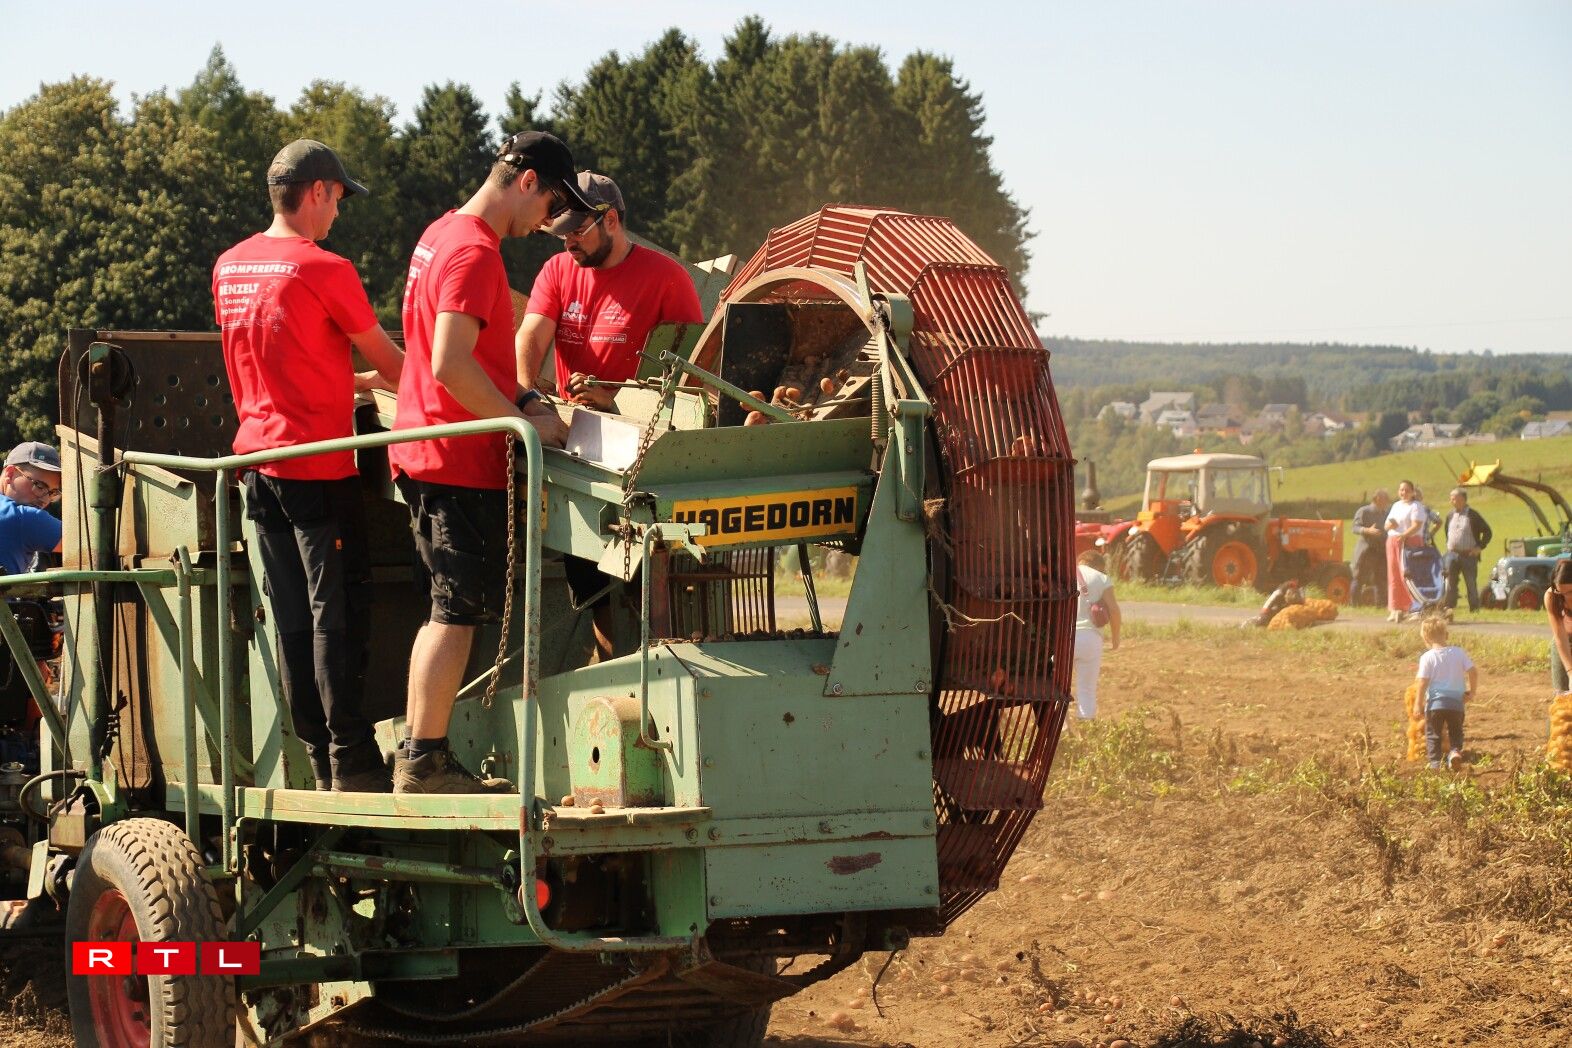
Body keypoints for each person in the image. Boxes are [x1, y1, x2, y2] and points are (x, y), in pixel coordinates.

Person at [389, 130, 584, 794]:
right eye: (550, 205)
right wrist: (520, 424)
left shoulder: (441, 232)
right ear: (527, 182)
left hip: (427, 449)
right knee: (455, 613)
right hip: (456, 457)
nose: (547, 223)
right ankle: (424, 762)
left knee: (446, 610)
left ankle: (420, 753)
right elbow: (449, 363)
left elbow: (464, 357)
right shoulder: (475, 251)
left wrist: (524, 396)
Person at [212, 139, 405, 793]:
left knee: (294, 616)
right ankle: (354, 758)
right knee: (337, 611)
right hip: (318, 469)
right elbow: (392, 364)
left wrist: (348, 383)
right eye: (339, 199)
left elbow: (286, 360)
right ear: (317, 192)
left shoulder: (230, 267)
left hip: (259, 464)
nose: (339, 213)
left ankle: (321, 759)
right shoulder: (324, 268)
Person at [516, 173, 705, 662]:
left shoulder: (667, 280)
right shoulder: (558, 271)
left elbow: (690, 380)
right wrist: (526, 393)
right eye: (561, 233)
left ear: (612, 220)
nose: (568, 243)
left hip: (646, 451)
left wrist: (615, 399)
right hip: (577, 446)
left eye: (577, 231)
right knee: (590, 574)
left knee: (645, 576)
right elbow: (531, 336)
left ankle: (658, 662)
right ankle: (608, 662)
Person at [1412, 616, 1476, 771]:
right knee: (1456, 732)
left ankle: (1435, 763)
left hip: (1435, 704)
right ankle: (1454, 751)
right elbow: (1473, 671)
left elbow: (1422, 682)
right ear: (1446, 635)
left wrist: (1418, 704)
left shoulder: (1427, 657)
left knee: (1433, 734)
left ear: (1426, 638)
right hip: (1456, 704)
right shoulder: (1459, 653)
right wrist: (1472, 692)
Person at [0, 442, 63, 576]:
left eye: (52, 493)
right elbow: (91, 544)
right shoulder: (23, 518)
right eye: (39, 486)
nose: (45, 500)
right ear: (10, 474)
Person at [1073, 549, 1121, 720]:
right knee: (1086, 688)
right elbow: (1114, 610)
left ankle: (1061, 728)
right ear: (1099, 565)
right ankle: (1086, 725)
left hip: (1063, 638)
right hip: (1090, 638)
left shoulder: (1064, 576)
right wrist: (1115, 637)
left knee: (1057, 687)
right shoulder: (1102, 578)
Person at [1442, 487, 1492, 614]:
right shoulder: (1450, 515)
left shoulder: (1473, 515)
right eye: (1451, 499)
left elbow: (1488, 532)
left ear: (1463, 500)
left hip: (1468, 555)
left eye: (1455, 499)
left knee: (1470, 583)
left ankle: (1474, 609)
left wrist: (1479, 547)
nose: (1452, 501)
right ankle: (1449, 609)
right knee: (1450, 583)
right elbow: (1447, 532)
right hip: (1452, 554)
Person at [1384, 479, 1425, 621]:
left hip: (1410, 542)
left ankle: (1415, 609)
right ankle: (1396, 608)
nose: (1404, 492)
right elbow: (1386, 525)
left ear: (1413, 492)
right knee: (1394, 575)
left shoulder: (1416, 506)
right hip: (1393, 541)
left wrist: (1404, 535)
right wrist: (1390, 525)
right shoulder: (1396, 505)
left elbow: (1416, 525)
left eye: (1407, 490)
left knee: (1410, 575)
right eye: (1401, 490)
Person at [1351, 488, 1391, 607]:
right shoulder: (1364, 511)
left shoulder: (1387, 514)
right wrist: (1367, 530)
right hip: (1367, 550)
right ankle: (1355, 605)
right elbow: (1355, 528)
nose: (1388, 501)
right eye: (1386, 498)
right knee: (1359, 578)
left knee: (1381, 579)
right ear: (1377, 498)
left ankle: (1381, 605)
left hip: (1382, 551)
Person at [1544, 558, 1572, 694]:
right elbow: (1560, 636)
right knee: (1562, 695)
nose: (1567, 598)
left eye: (1571, 592)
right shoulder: (1551, 597)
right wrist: (1571, 673)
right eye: (1562, 592)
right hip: (1564, 642)